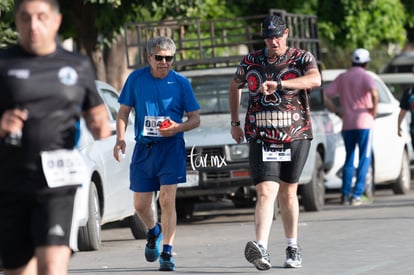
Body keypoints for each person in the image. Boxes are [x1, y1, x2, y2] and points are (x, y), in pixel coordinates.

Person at [0, 0, 112, 274]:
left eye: (41, 17)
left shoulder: (77, 66)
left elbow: (98, 117)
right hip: (10, 183)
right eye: (25, 18)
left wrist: (101, 126)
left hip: (57, 183)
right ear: (17, 22)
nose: (33, 26)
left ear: (56, 21)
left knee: (52, 267)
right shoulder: (4, 63)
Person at [229, 15, 321, 270]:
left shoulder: (302, 58)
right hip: (261, 136)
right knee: (264, 191)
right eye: (269, 37)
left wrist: (281, 83)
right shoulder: (251, 60)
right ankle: (261, 248)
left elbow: (315, 79)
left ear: (287, 33)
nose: (274, 41)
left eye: (277, 35)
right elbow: (234, 84)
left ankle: (292, 246)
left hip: (295, 134)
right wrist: (235, 122)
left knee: (288, 192)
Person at [113, 36, 200, 271]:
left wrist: (177, 128)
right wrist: (120, 138)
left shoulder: (181, 83)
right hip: (144, 148)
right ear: (149, 57)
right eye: (159, 57)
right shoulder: (136, 79)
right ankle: (153, 230)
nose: (164, 62)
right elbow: (123, 112)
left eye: (168, 58)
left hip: (171, 148)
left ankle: (167, 252)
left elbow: (195, 119)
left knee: (167, 200)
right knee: (140, 205)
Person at [324, 48, 379, 206]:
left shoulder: (343, 77)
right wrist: (373, 111)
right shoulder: (366, 77)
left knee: (349, 158)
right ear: (366, 62)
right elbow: (374, 94)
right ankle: (357, 195)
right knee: (364, 159)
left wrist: (337, 111)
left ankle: (345, 195)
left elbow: (326, 95)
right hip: (365, 122)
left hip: (347, 123)